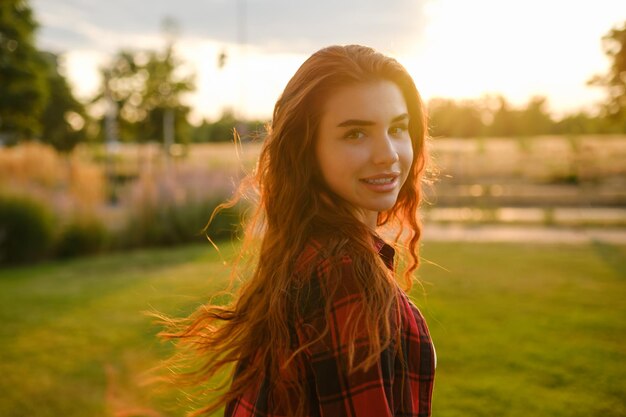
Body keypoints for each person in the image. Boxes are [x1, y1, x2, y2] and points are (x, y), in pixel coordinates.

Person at [160, 44, 435, 417]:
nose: (388, 153)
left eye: (398, 128)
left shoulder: (309, 251)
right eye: (356, 134)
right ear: (308, 148)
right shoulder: (342, 274)